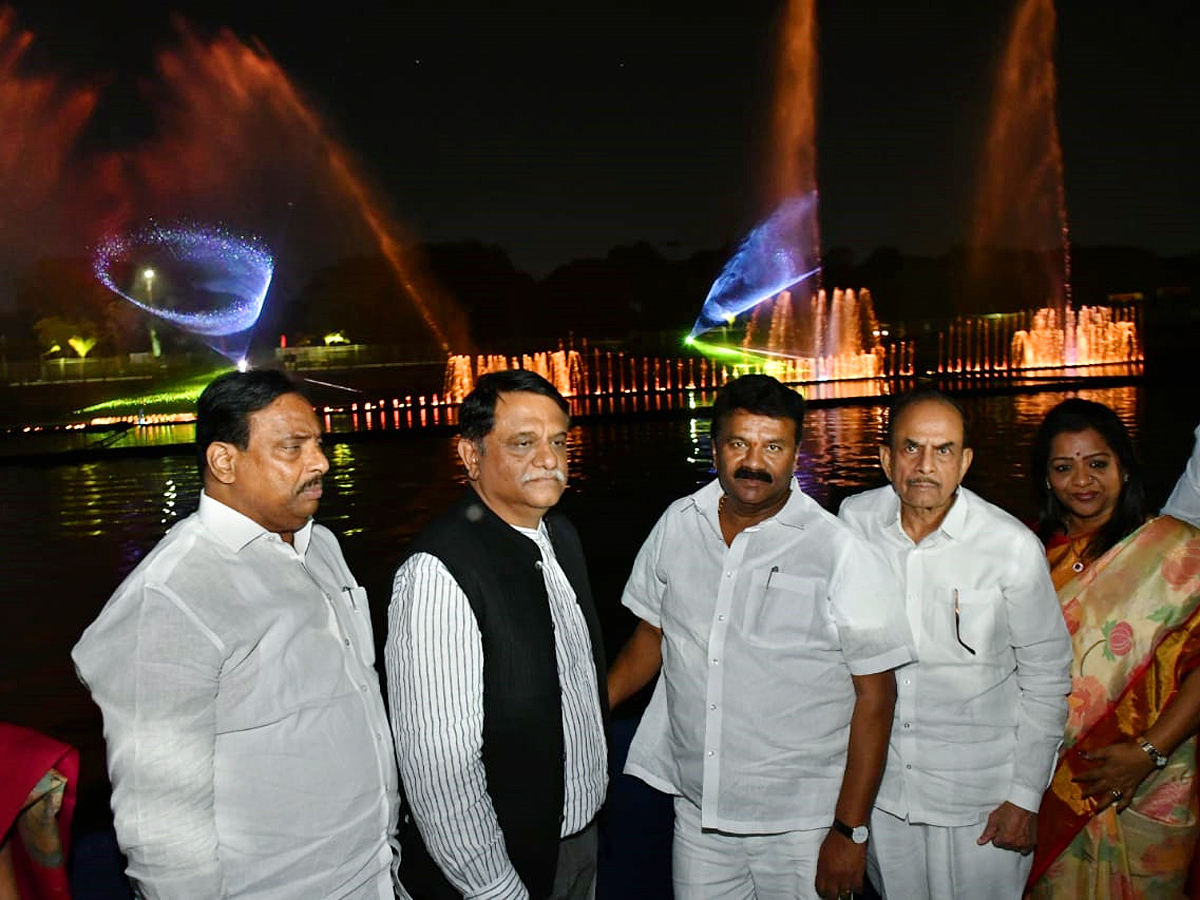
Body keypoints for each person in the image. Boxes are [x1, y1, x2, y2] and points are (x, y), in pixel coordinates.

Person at [72, 370, 400, 899]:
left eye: (318, 444)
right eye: (292, 448)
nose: (320, 462)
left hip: (375, 873)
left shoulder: (321, 547)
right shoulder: (171, 596)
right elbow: (161, 827)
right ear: (224, 461)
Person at [608, 374, 914, 900]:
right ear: (715, 446)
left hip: (804, 824)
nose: (754, 461)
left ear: (796, 452)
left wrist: (849, 831)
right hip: (699, 814)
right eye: (738, 444)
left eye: (772, 446)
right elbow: (649, 639)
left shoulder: (838, 551)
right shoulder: (679, 524)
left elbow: (876, 695)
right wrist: (582, 714)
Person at [837, 387, 1072, 900]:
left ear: (964, 462)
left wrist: (1024, 798)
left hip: (981, 803)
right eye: (910, 447)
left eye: (943, 450)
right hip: (887, 797)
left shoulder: (1009, 547)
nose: (925, 465)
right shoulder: (854, 523)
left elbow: (1048, 677)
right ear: (884, 457)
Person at [386, 369, 607, 900]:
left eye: (558, 441)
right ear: (469, 456)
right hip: (500, 869)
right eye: (523, 443)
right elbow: (440, 771)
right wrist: (493, 888)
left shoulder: (561, 536)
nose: (550, 460)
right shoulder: (438, 572)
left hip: (577, 844)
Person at [1027, 398, 1200, 898]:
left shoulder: (1179, 551)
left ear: (1123, 467)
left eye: (1097, 464)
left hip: (1156, 781)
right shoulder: (1029, 558)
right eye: (1064, 467)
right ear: (1046, 479)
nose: (1082, 480)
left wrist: (1148, 752)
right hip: (1056, 783)